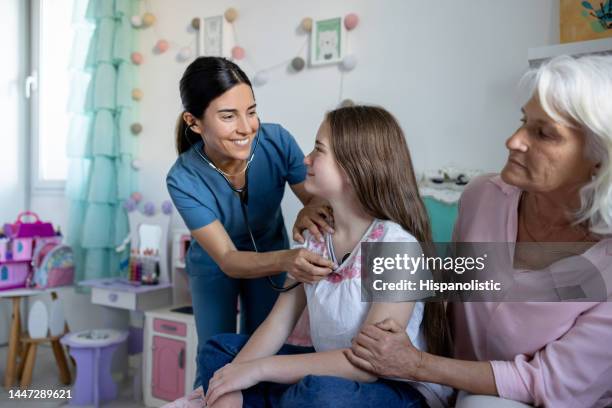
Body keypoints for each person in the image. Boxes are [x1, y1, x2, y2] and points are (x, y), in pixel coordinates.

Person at [345, 55, 612, 408]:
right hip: (452, 380)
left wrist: (417, 364)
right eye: (523, 122)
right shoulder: (485, 195)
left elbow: (547, 383)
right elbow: (455, 283)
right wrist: (338, 225)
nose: (513, 141)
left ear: (599, 156)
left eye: (543, 133)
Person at [199, 106, 453, 408]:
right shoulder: (316, 239)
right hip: (327, 375)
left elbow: (369, 365)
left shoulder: (396, 247)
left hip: (391, 388)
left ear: (354, 167)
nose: (305, 159)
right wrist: (235, 377)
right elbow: (278, 325)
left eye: (318, 150)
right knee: (219, 352)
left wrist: (259, 370)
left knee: (318, 394)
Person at [166, 57, 335, 389]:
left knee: (263, 355)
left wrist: (308, 208)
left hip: (269, 252)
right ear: (195, 122)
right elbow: (228, 259)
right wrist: (289, 259)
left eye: (251, 111)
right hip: (216, 265)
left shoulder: (276, 142)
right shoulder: (183, 178)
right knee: (215, 352)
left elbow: (319, 201)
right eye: (228, 116)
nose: (246, 127)